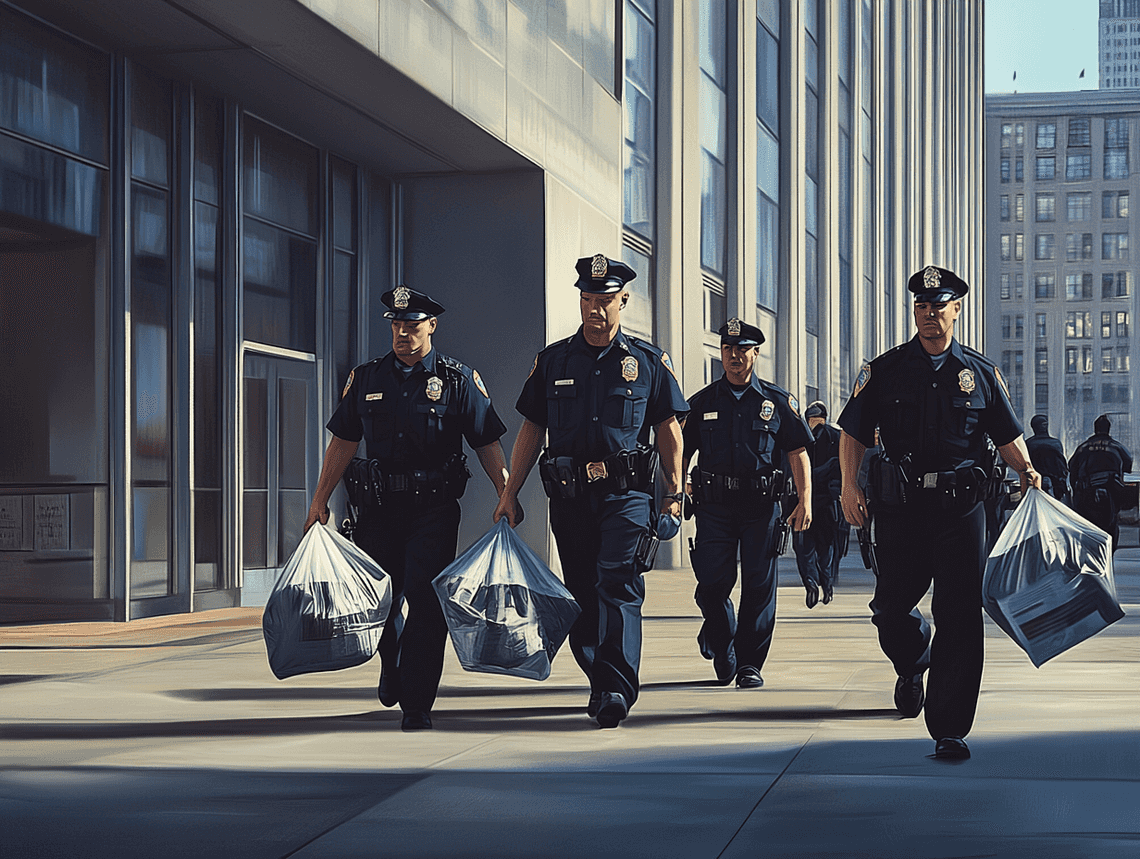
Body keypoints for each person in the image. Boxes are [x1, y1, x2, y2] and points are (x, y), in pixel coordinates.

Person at [837, 265, 1041, 761]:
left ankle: (949, 727)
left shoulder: (980, 373)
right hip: (901, 510)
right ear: (915, 312)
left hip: (962, 510)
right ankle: (913, 660)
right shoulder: (885, 371)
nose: (929, 314)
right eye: (921, 306)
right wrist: (848, 485)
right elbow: (854, 432)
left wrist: (1027, 469)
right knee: (889, 609)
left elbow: (1005, 434)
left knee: (960, 616)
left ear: (956, 309)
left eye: (938, 305)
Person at [303, 285, 512, 732]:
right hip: (376, 510)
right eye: (397, 325)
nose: (402, 333)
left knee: (425, 601)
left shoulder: (457, 380)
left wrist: (505, 493)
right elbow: (343, 441)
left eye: (412, 325)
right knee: (379, 601)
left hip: (433, 511)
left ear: (431, 327)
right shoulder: (367, 379)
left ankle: (417, 702)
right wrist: (319, 499)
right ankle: (392, 657)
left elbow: (485, 440)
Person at [492, 254, 688, 729]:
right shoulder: (553, 360)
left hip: (628, 496)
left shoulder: (646, 362)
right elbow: (530, 430)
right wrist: (508, 491)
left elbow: (668, 430)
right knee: (581, 589)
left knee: (618, 583)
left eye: (604, 301)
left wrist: (674, 491)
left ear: (623, 301)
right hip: (570, 497)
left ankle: (616, 687)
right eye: (586, 299)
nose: (594, 309)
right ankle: (599, 675)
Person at [681, 318, 812, 687]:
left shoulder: (776, 401)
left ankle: (749, 663)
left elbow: (797, 451)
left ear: (756, 353)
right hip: (714, 507)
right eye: (727, 349)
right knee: (711, 583)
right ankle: (722, 642)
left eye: (742, 349)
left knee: (758, 584)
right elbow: (679, 449)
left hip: (761, 507)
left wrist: (805, 500)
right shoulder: (702, 402)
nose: (734, 356)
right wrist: (678, 489)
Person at [793, 400, 842, 607]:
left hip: (805, 501)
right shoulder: (836, 437)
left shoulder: (798, 436)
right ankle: (826, 584)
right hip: (826, 502)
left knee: (805, 546)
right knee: (826, 546)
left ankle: (812, 582)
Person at [1069, 414, 1133, 552]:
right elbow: (1128, 465)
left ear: (1095, 428)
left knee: (1084, 523)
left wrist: (1075, 492)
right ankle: (1109, 551)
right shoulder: (1117, 446)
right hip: (1111, 490)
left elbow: (1071, 467)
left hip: (1086, 491)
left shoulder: (1083, 447)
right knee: (1113, 521)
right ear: (1108, 429)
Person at [1025, 415, 1069, 502]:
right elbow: (1062, 467)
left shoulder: (1028, 444)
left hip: (1035, 486)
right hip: (1057, 487)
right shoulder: (1056, 443)